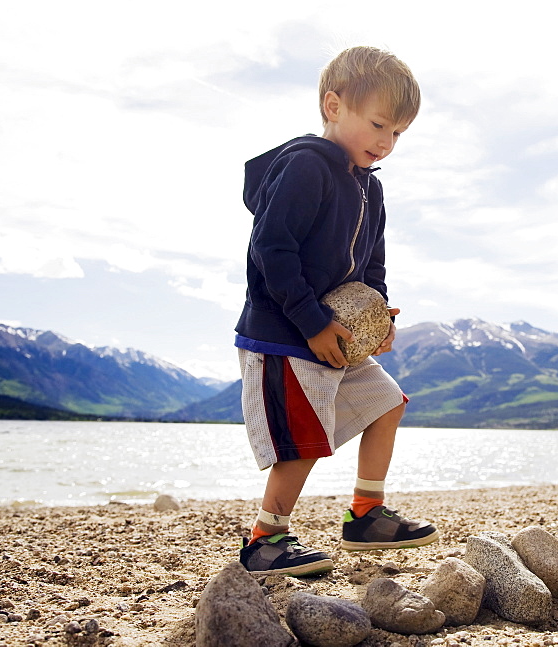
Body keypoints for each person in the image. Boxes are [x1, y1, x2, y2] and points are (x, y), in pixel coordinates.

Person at [233, 46, 439, 577]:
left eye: (398, 133)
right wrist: (312, 322)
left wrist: (379, 319)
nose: (386, 142)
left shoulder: (372, 188)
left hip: (338, 339)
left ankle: (367, 514)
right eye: (377, 125)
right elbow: (271, 250)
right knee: (301, 442)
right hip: (284, 334)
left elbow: (371, 265)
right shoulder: (305, 166)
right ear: (333, 106)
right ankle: (265, 541)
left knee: (387, 402)